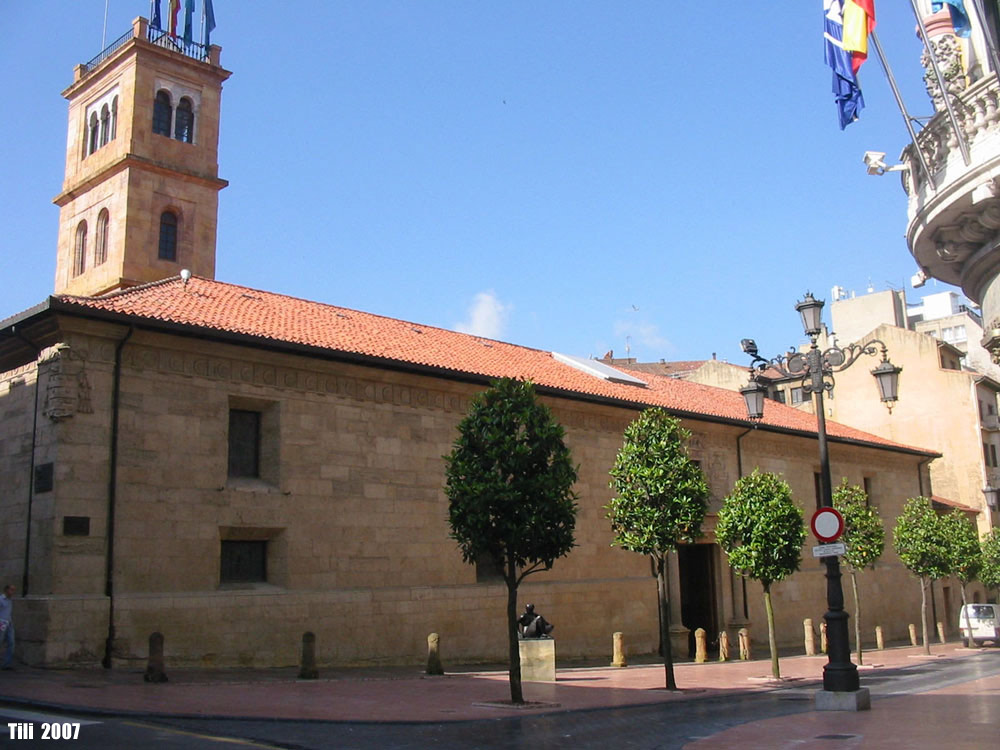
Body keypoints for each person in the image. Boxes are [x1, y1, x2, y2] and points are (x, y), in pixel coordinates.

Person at [0, 584, 14, 670]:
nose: (12, 592)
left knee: (11, 643)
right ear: (6, 590)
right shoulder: (1, 599)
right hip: (1, 623)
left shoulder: (10, 600)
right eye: (11, 590)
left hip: (9, 623)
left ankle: (6, 664)